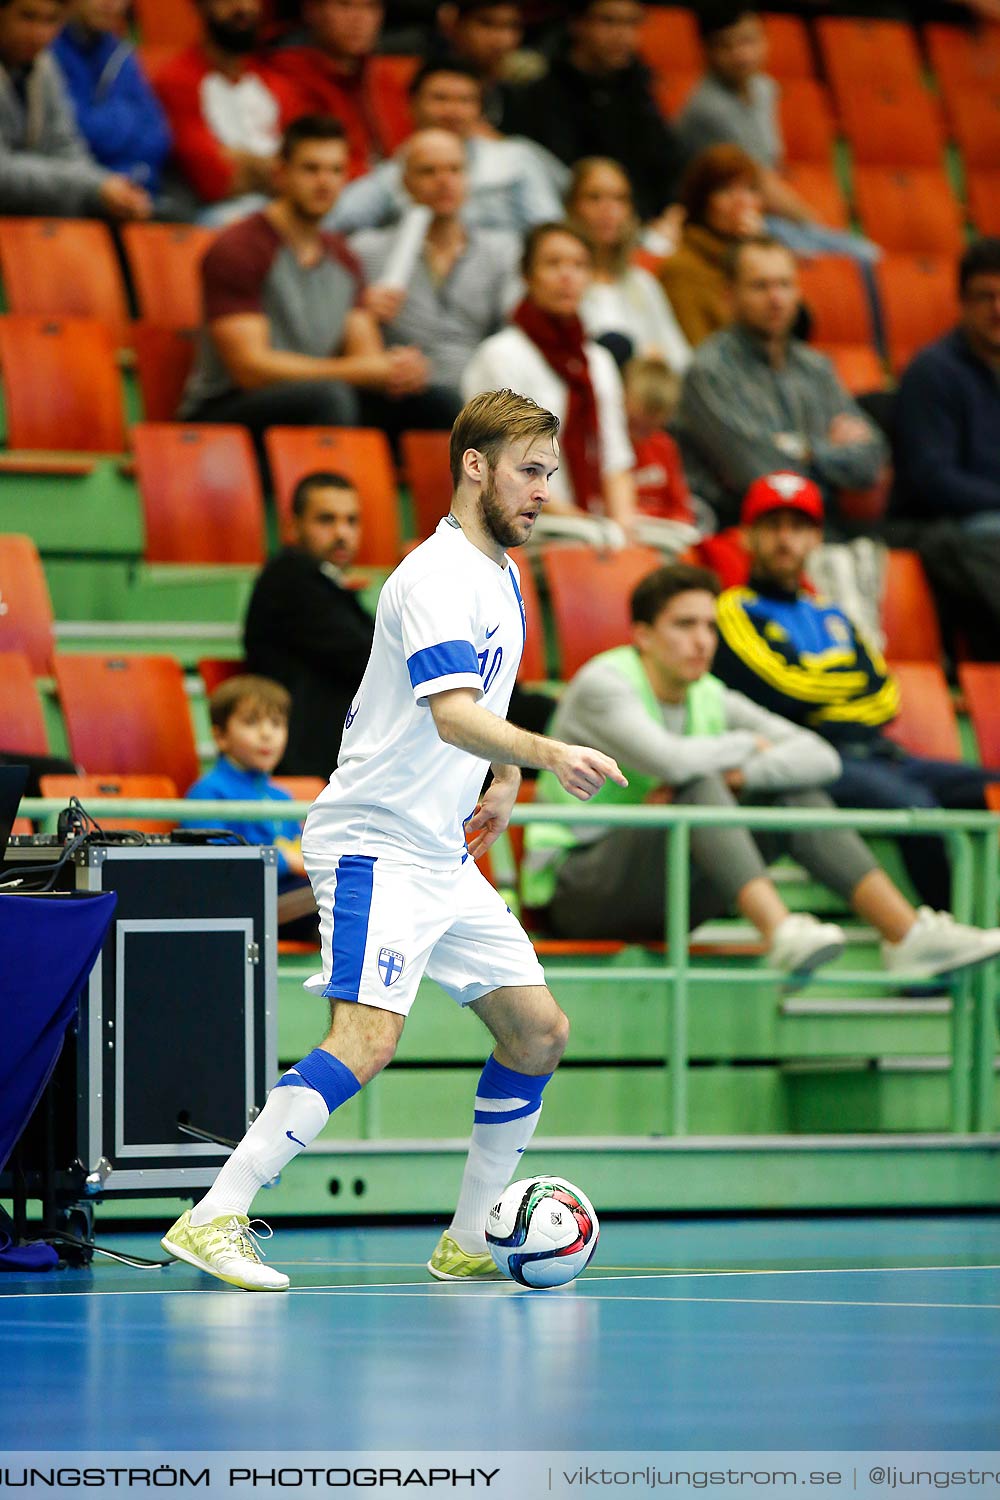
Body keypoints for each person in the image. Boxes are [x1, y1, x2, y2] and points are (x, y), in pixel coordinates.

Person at [160, 387, 627, 1291]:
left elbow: (478, 709)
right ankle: (212, 1217)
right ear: (475, 466)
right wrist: (549, 749)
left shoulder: (503, 575)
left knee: (538, 1032)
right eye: (530, 472)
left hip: (440, 853)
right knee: (367, 1039)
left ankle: (467, 1240)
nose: (543, 492)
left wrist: (507, 774)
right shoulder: (433, 576)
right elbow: (453, 715)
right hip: (375, 841)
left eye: (551, 475)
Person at [524, 561, 1000, 984]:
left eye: (710, 626)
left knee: (793, 792)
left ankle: (906, 935)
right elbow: (670, 761)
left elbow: (821, 756)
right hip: (578, 888)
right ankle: (781, 930)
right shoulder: (605, 683)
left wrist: (744, 776)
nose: (701, 640)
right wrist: (746, 747)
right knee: (698, 785)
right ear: (644, 636)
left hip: (663, 887)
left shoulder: (710, 693)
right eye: (684, 625)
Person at [711, 472, 1000, 912]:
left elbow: (886, 696)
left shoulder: (831, 614)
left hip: (881, 752)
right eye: (772, 527)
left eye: (798, 527)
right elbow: (785, 689)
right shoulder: (733, 609)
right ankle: (949, 947)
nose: (785, 540)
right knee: (920, 810)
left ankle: (986, 927)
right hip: (812, 756)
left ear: (816, 539)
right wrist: (845, 682)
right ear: (748, 537)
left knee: (987, 790)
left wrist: (820, 684)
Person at [179, 114, 461, 454]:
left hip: (318, 399)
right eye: (311, 169)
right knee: (330, 397)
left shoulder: (343, 257)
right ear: (280, 174)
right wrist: (357, 371)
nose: (325, 183)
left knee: (438, 404)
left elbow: (365, 356)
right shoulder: (239, 248)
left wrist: (395, 370)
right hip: (226, 413)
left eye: (336, 170)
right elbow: (250, 369)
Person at [675, 236, 887, 529]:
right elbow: (761, 475)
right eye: (760, 286)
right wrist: (830, 451)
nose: (776, 299)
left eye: (785, 285)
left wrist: (806, 451)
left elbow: (871, 461)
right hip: (749, 534)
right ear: (729, 296)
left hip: (824, 526)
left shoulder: (814, 366)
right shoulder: (709, 372)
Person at [462, 222, 637, 542]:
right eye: (553, 263)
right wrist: (591, 527)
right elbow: (506, 470)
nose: (567, 275)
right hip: (521, 527)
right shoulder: (499, 356)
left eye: (579, 265)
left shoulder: (597, 361)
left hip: (591, 529)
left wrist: (623, 528)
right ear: (527, 276)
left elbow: (615, 460)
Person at [677, 3, 879, 269]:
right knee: (852, 258)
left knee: (866, 255)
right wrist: (814, 226)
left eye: (748, 40)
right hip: (727, 226)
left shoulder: (764, 88)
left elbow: (772, 165)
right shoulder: (708, 109)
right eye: (727, 46)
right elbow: (760, 182)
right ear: (706, 51)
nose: (742, 54)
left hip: (765, 217)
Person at [348, 128, 520, 391]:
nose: (444, 181)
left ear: (468, 178)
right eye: (429, 171)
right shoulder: (366, 250)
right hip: (399, 387)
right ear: (405, 182)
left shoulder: (502, 251)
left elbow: (513, 333)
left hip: (481, 389)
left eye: (454, 170)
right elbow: (335, 333)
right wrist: (361, 311)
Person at [329, 60, 563, 235]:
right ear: (411, 105)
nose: (453, 112)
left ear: (480, 111)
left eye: (465, 101)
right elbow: (332, 224)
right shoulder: (392, 174)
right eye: (440, 98)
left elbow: (550, 235)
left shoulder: (516, 159)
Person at [244, 471, 375, 777]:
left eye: (351, 521)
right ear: (293, 527)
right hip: (306, 766)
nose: (342, 533)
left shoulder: (326, 584)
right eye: (326, 520)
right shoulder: (288, 578)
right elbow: (366, 656)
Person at [502, 0, 680, 224]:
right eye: (608, 21)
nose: (622, 34)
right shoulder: (542, 96)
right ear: (577, 24)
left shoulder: (639, 89)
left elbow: (666, 169)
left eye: (632, 23)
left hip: (642, 227)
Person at [186, 674, 317, 935]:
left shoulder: (281, 796)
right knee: (334, 899)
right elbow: (215, 864)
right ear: (220, 737)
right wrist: (285, 860)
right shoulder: (207, 792)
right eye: (251, 723)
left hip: (292, 897)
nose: (267, 734)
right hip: (246, 905)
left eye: (277, 723)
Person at [154, 0, 303, 225]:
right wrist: (281, 169)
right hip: (216, 219)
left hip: (291, 213)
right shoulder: (176, 80)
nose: (243, 7)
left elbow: (307, 168)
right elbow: (215, 182)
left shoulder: (276, 82)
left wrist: (239, 158)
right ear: (201, 6)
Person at [0, 0, 151, 218]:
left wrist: (106, 187)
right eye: (27, 17)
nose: (38, 34)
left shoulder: (44, 65)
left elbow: (68, 148)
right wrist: (94, 187)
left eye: (51, 20)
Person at [565, 156, 692, 375]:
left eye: (619, 199)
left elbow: (680, 360)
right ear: (572, 206)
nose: (608, 210)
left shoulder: (642, 282)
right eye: (594, 198)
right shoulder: (561, 281)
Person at [267, 0, 410, 178]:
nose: (358, 19)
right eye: (344, 5)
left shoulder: (384, 77)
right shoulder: (285, 74)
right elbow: (307, 162)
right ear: (312, 11)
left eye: (370, 7)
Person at [51, 0, 172, 202]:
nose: (110, 4)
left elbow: (158, 137)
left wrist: (125, 177)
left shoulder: (122, 52)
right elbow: (73, 132)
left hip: (135, 190)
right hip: (74, 194)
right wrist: (125, 118)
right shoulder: (46, 49)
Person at [657, 143, 765, 349]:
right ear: (702, 201)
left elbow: (792, 332)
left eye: (750, 189)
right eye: (725, 190)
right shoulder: (681, 269)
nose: (741, 201)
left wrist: (758, 253)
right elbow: (700, 351)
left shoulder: (758, 257)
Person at [425, 0, 525, 130]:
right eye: (486, 24)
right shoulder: (426, 75)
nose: (501, 39)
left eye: (512, 26)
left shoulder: (521, 90)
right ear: (452, 22)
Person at [623, 356, 697, 529]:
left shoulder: (664, 445)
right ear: (622, 399)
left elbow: (682, 511)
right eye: (634, 424)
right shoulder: (606, 444)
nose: (640, 435)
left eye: (650, 428)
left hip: (662, 536)